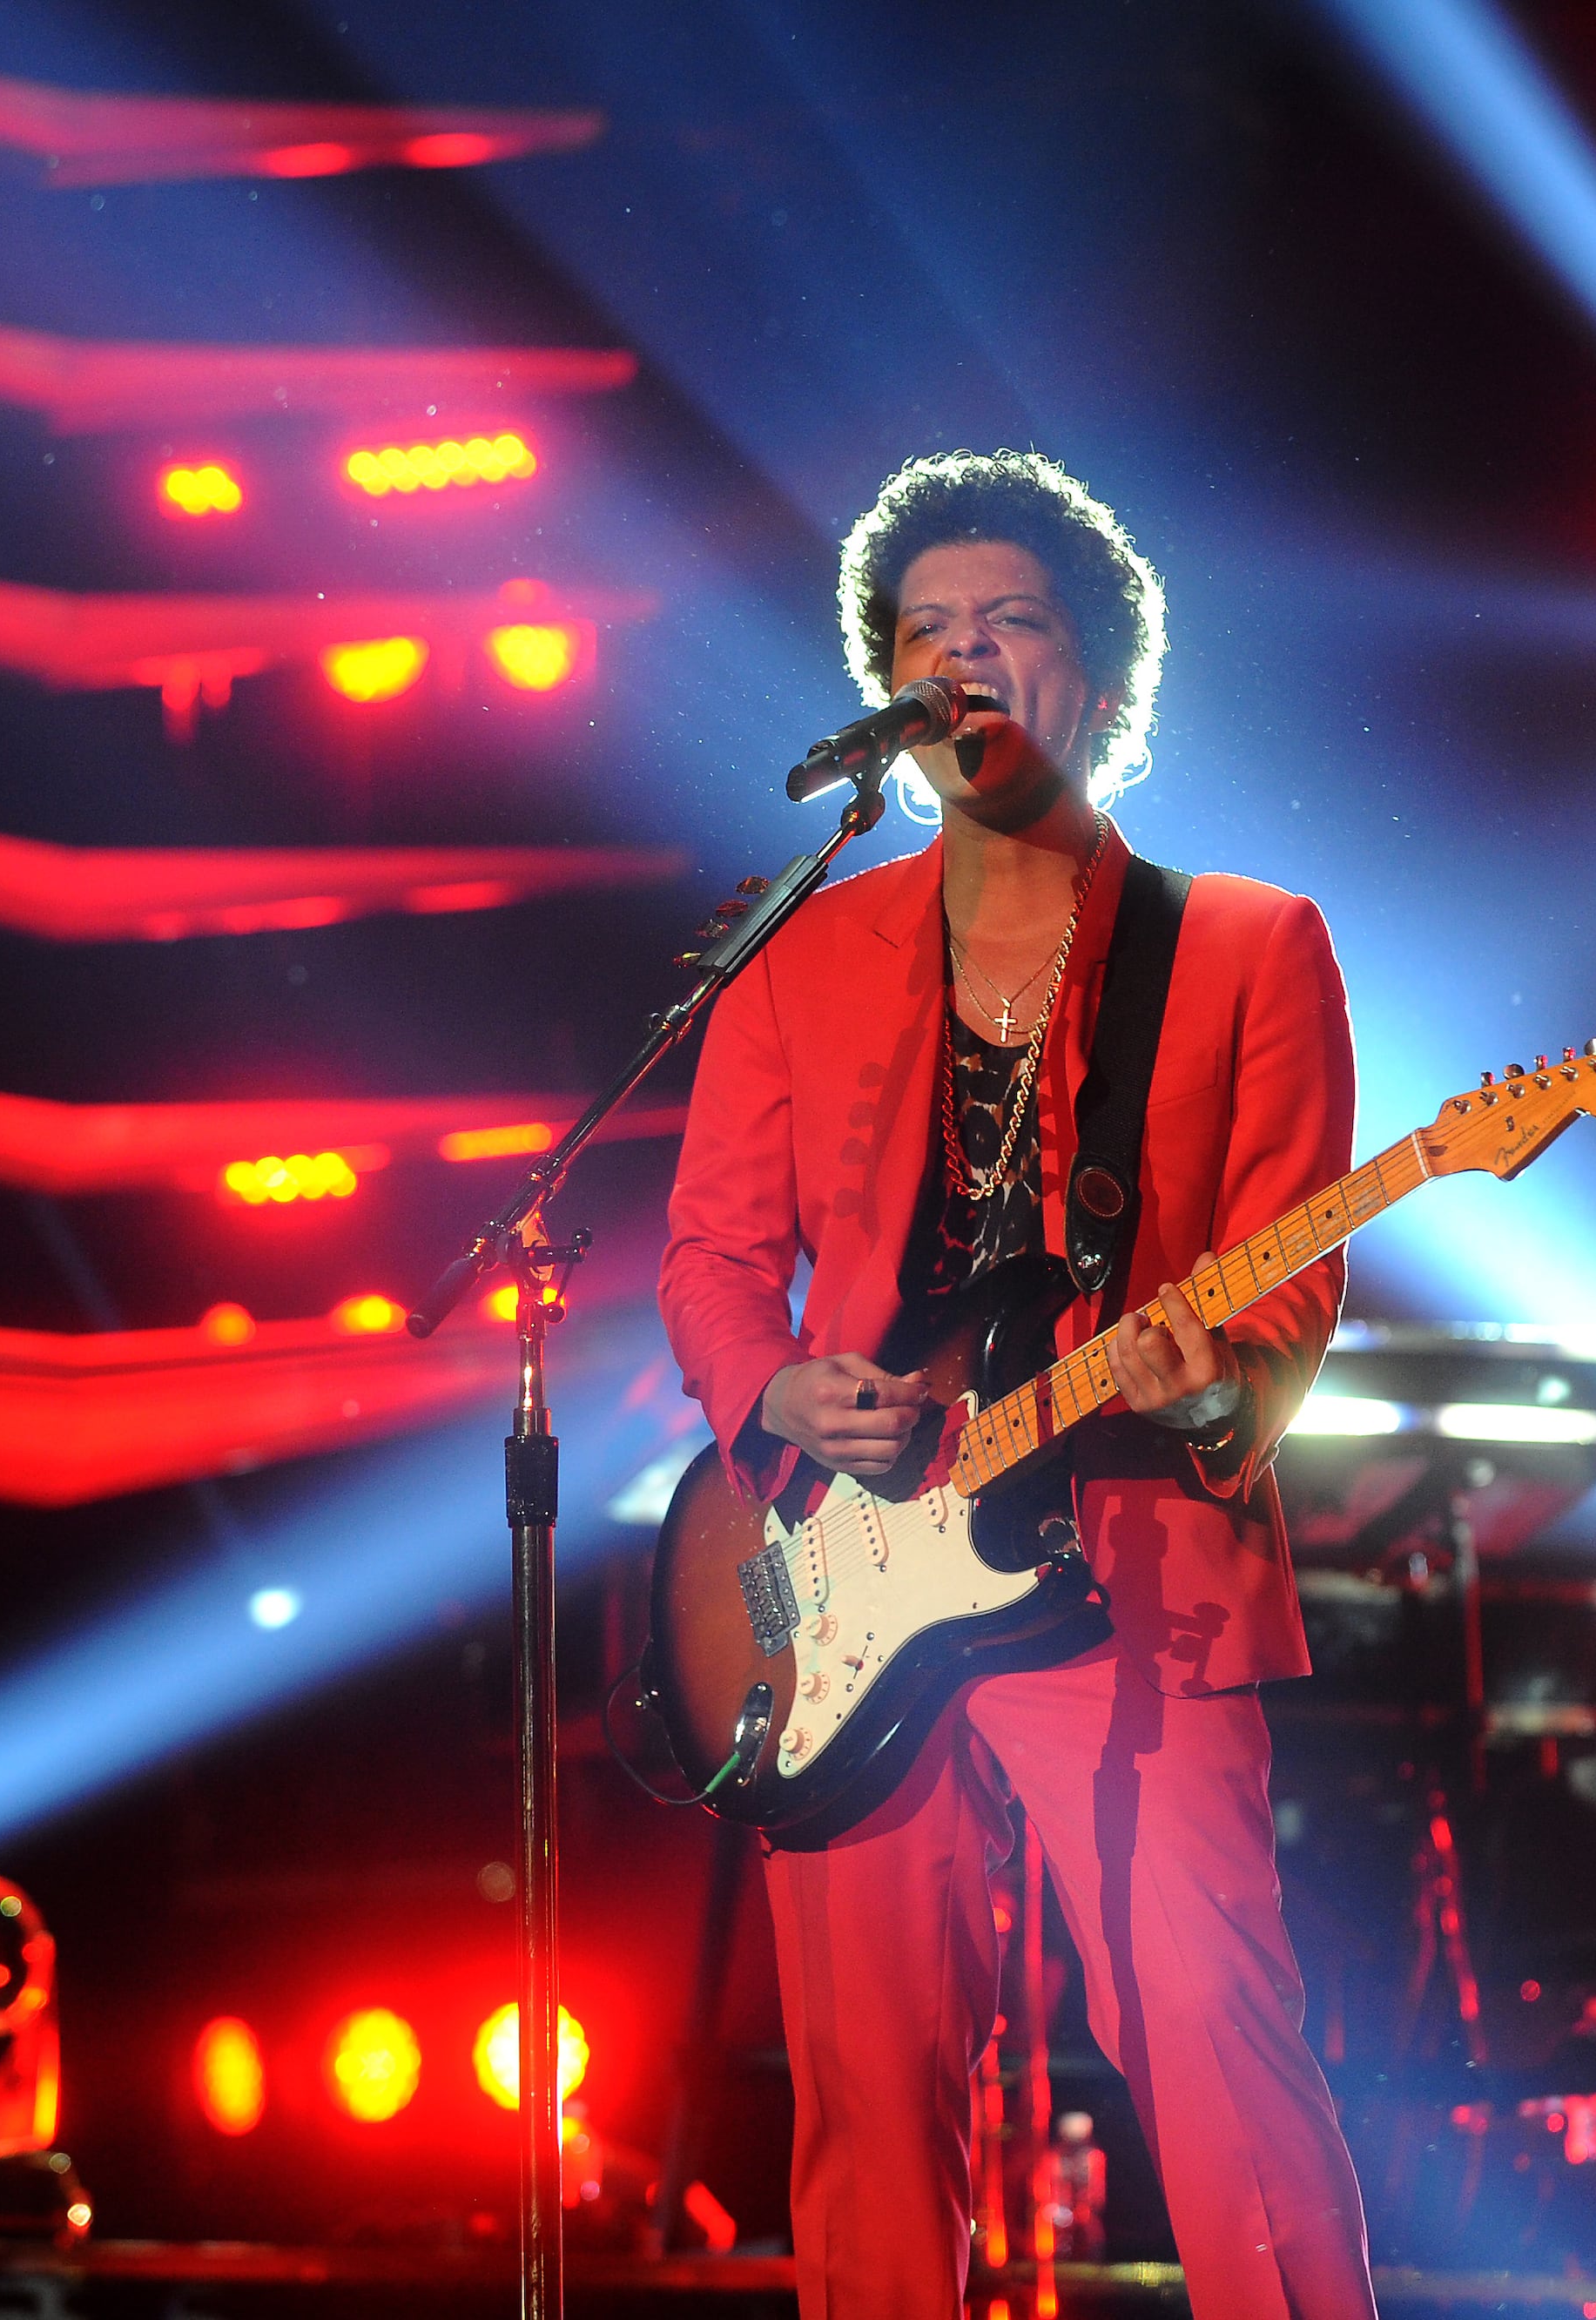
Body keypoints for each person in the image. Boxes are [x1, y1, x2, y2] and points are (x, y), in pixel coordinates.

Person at [660, 450, 1377, 2318]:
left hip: (1133, 1571)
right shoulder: (794, 958)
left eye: (1009, 623)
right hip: (851, 1585)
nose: (961, 656)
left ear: (1108, 677)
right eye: (925, 635)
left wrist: (1210, 1386)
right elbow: (712, 1261)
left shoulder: (1248, 948)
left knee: (1218, 2058)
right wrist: (776, 1396)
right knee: (870, 2114)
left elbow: (1289, 1300)